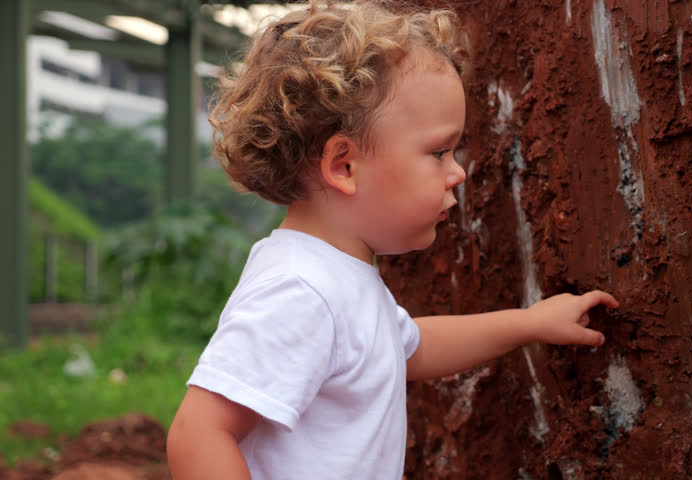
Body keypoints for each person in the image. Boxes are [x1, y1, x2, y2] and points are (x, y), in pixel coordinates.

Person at [166, 1, 619, 479]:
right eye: (439, 152)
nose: (458, 172)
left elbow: (409, 348)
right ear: (344, 166)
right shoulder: (300, 290)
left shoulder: (337, 277)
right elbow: (199, 433)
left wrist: (529, 323)